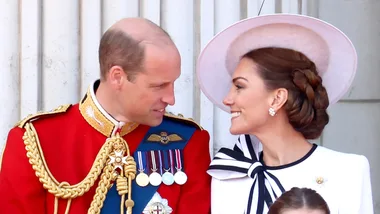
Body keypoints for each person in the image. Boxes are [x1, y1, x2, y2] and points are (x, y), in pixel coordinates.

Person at [0, 17, 211, 214]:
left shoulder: (187, 141)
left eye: (173, 83)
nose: (171, 98)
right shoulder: (35, 141)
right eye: (159, 86)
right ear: (117, 77)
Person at [196, 14, 373, 214]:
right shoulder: (226, 176)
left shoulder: (348, 171)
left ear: (277, 98)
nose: (227, 99)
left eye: (239, 86)